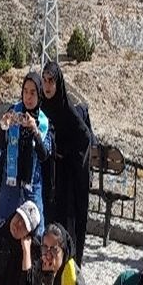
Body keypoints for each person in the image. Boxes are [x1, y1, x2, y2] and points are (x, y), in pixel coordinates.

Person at [40, 61, 92, 265]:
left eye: (51, 81)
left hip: (65, 180)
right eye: (44, 81)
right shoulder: (42, 107)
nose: (47, 86)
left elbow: (84, 137)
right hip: (46, 176)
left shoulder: (67, 109)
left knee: (64, 226)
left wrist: (66, 154)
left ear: (58, 82)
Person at [0, 72, 52, 236]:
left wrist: (35, 131)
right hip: (11, 182)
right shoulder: (14, 111)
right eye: (25, 91)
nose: (28, 97)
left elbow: (44, 155)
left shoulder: (43, 122)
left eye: (33, 92)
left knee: (34, 231)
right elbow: (1, 145)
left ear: (39, 94)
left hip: (32, 183)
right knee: (4, 228)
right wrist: (4, 127)